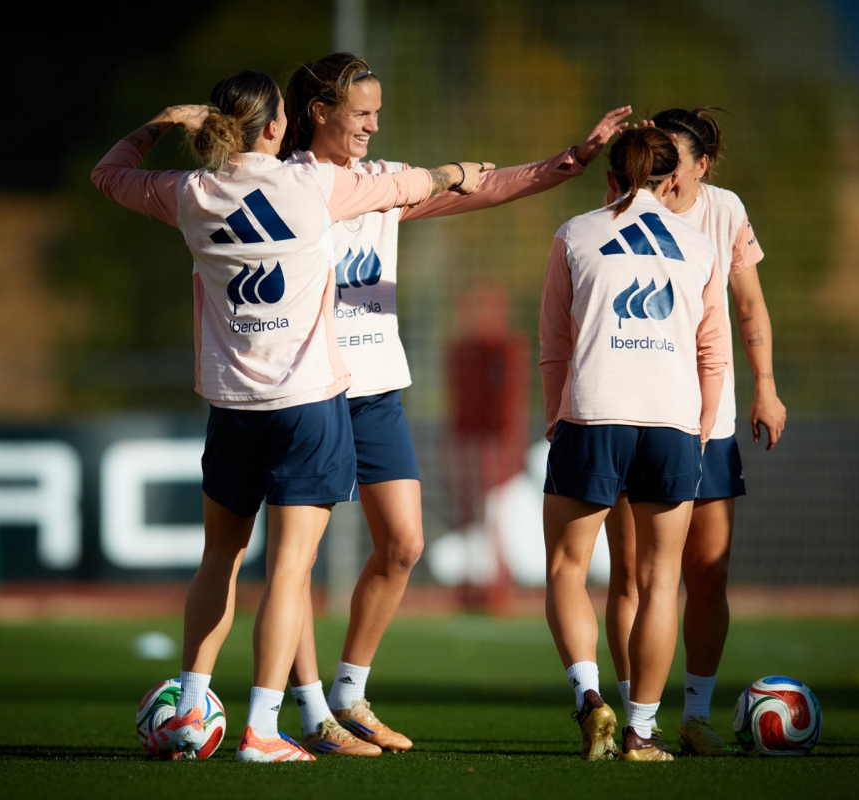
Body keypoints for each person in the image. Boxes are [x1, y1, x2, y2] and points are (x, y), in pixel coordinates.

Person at [91, 68, 489, 763]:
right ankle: (263, 730)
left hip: (233, 410)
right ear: (277, 127)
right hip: (307, 406)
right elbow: (409, 185)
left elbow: (109, 172)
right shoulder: (313, 187)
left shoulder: (189, 194)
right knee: (290, 572)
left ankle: (189, 709)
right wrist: (455, 171)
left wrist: (160, 122)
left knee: (220, 556)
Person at [274, 52, 636, 757]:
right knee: (299, 563)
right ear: (318, 112)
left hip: (376, 386)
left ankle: (349, 696)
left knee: (404, 544)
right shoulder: (284, 185)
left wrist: (571, 160)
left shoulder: (385, 181)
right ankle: (310, 713)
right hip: (305, 387)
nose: (374, 126)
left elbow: (483, 188)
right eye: (362, 113)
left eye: (378, 112)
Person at [602, 108, 787, 757]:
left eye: (674, 161)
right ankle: (634, 720)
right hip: (635, 415)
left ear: (702, 165)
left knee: (707, 574)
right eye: (655, 159)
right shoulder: (620, 210)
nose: (663, 173)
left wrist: (764, 383)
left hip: (711, 424)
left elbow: (749, 303)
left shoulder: (725, 212)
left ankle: (697, 716)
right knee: (632, 576)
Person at [539, 127, 727, 761]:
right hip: (671, 424)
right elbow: (713, 353)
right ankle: (643, 733)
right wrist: (699, 429)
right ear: (674, 180)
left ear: (611, 177)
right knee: (659, 580)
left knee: (568, 570)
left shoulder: (574, 233)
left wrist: (553, 418)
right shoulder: (701, 245)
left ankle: (591, 700)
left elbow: (553, 347)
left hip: (591, 416)